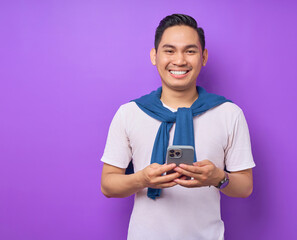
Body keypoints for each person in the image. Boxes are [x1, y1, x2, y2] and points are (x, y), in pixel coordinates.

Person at [100, 14, 255, 240]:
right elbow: (108, 185)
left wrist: (218, 178)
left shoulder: (229, 114)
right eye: (169, 50)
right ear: (155, 56)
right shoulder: (129, 113)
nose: (180, 61)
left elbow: (245, 188)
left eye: (190, 51)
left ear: (203, 57)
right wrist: (142, 179)